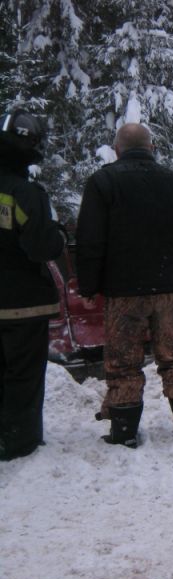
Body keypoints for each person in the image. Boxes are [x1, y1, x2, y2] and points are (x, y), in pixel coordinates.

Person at [76, 122, 173, 448]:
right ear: (152, 148)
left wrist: (89, 286)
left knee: (123, 362)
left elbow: (89, 241)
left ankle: (123, 432)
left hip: (123, 291)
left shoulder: (102, 182)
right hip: (169, 287)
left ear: (118, 150)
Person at [0, 109, 66, 461]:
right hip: (21, 305)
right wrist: (57, 234)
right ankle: (18, 442)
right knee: (22, 375)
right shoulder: (25, 194)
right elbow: (42, 247)